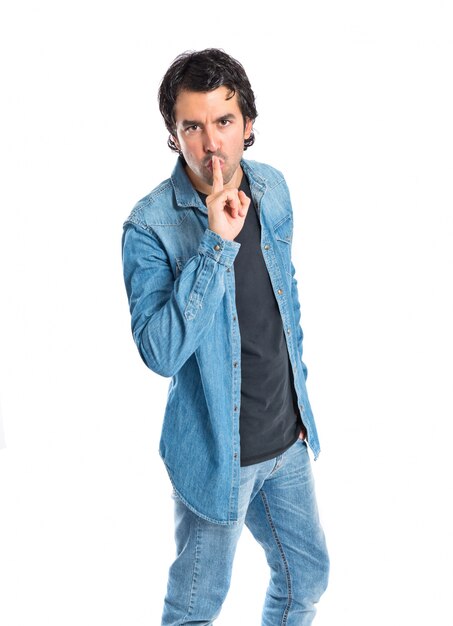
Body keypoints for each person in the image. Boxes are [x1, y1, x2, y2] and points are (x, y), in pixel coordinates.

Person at [122, 48, 329, 626]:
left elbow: (286, 303)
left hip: (285, 440)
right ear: (173, 132)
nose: (211, 143)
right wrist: (216, 244)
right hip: (217, 453)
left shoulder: (274, 188)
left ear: (248, 124)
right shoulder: (149, 226)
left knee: (306, 576)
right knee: (194, 610)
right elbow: (160, 353)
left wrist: (299, 400)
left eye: (223, 121)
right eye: (193, 125)